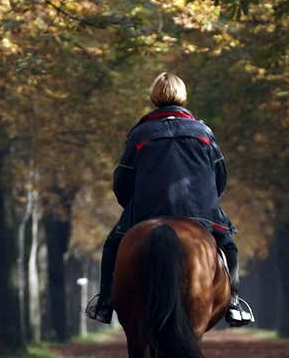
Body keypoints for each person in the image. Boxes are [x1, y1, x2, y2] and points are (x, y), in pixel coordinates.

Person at [84, 72, 254, 327]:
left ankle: (105, 303)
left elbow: (122, 181)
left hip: (147, 211)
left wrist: (132, 205)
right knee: (228, 245)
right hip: (200, 211)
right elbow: (220, 176)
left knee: (112, 246)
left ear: (154, 97)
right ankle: (234, 304)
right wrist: (207, 202)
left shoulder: (140, 134)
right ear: (183, 96)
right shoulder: (204, 133)